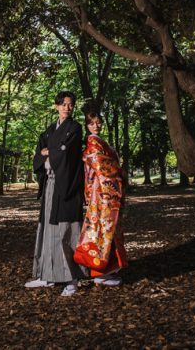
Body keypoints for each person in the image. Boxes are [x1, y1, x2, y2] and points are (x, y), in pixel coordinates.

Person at [26, 91, 84, 296]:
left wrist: (50, 151)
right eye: (63, 104)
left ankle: (72, 279)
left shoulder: (75, 128)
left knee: (66, 231)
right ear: (56, 106)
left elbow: (66, 152)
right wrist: (50, 151)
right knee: (48, 231)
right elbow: (38, 154)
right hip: (50, 185)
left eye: (70, 104)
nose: (67, 108)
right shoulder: (50, 130)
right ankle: (48, 275)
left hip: (67, 186)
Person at [73, 107, 127, 286]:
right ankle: (99, 272)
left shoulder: (100, 142)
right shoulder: (93, 144)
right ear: (87, 125)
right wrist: (119, 170)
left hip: (104, 193)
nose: (96, 126)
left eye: (98, 122)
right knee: (101, 231)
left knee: (106, 230)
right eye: (92, 123)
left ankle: (106, 270)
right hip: (101, 194)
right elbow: (101, 167)